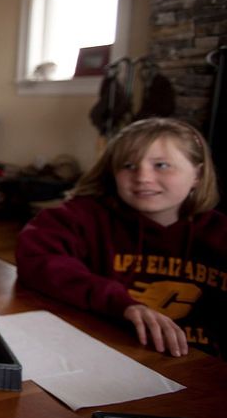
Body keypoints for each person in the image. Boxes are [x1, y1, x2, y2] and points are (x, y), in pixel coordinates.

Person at [16, 117, 226, 360]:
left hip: (203, 368)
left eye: (161, 165)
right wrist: (120, 303)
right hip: (106, 352)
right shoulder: (84, 216)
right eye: (128, 165)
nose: (142, 177)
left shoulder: (219, 232)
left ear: (198, 175)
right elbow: (37, 256)